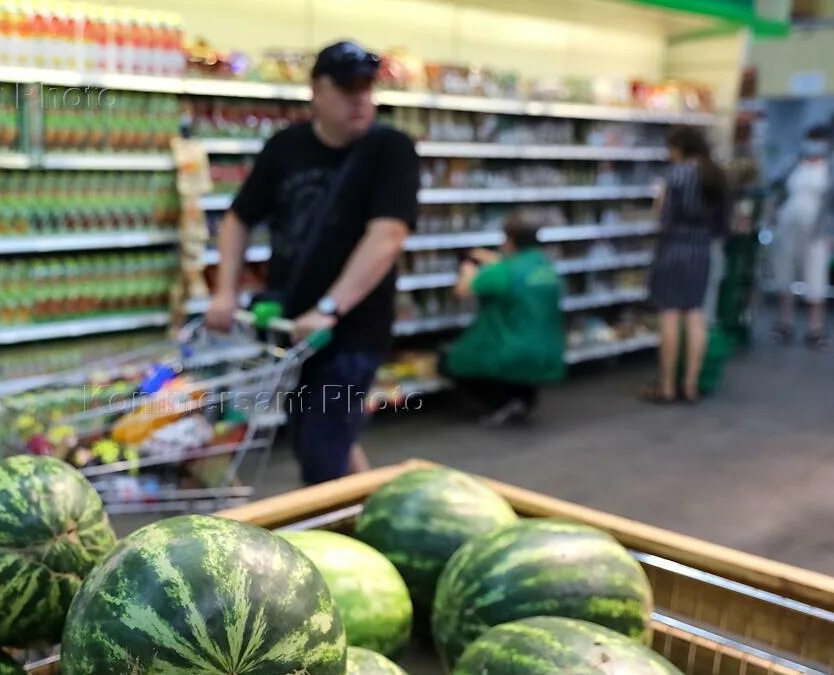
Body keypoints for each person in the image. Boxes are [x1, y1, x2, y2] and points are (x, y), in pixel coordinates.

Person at [205, 40, 419, 485]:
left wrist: (329, 308)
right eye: (346, 88)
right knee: (319, 432)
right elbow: (238, 218)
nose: (360, 98)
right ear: (316, 90)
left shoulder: (391, 150)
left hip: (353, 329)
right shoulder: (286, 147)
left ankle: (340, 542)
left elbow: (388, 236)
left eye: (366, 87)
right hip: (291, 328)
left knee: (321, 446)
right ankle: (371, 509)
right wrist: (226, 291)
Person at [439, 211, 565, 426]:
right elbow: (513, 267)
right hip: (548, 348)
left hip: (510, 348)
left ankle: (498, 404)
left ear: (510, 240)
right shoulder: (543, 265)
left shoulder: (504, 271)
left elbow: (462, 290)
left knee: (451, 360)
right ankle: (521, 401)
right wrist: (487, 257)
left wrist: (467, 270)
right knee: (523, 369)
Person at [644, 126, 728, 404]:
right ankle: (691, 386)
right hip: (701, 251)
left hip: (673, 249)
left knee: (669, 315)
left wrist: (659, 203)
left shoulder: (676, 175)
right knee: (695, 315)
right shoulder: (716, 174)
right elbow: (723, 224)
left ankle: (667, 386)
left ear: (679, 148)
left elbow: (664, 218)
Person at [771, 125, 834, 350]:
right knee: (783, 274)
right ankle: (784, 323)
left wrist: (833, 232)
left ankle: (815, 329)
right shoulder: (793, 163)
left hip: (817, 233)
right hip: (788, 227)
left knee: (816, 278)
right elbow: (774, 184)